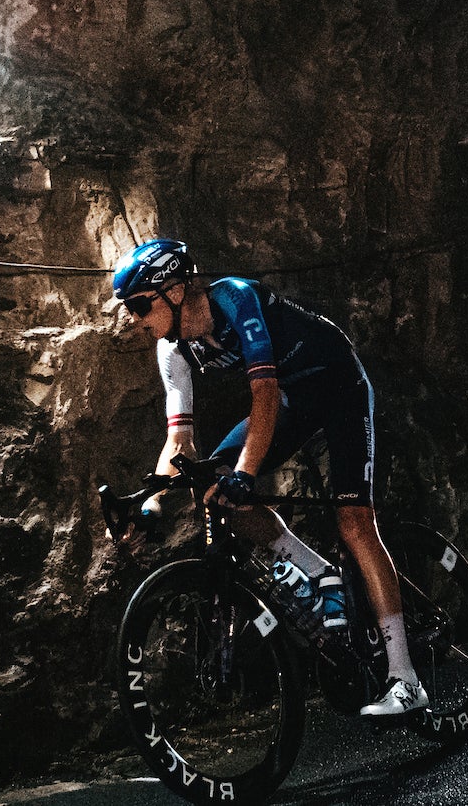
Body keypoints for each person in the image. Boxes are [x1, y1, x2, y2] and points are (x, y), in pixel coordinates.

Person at [110, 238, 432, 716]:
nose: (135, 319)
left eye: (139, 305)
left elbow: (263, 391)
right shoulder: (173, 350)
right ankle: (320, 573)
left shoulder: (236, 298)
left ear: (175, 291)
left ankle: (405, 678)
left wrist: (246, 472)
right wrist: (150, 503)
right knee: (213, 489)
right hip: (291, 403)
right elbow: (179, 442)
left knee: (354, 523)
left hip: (337, 385)